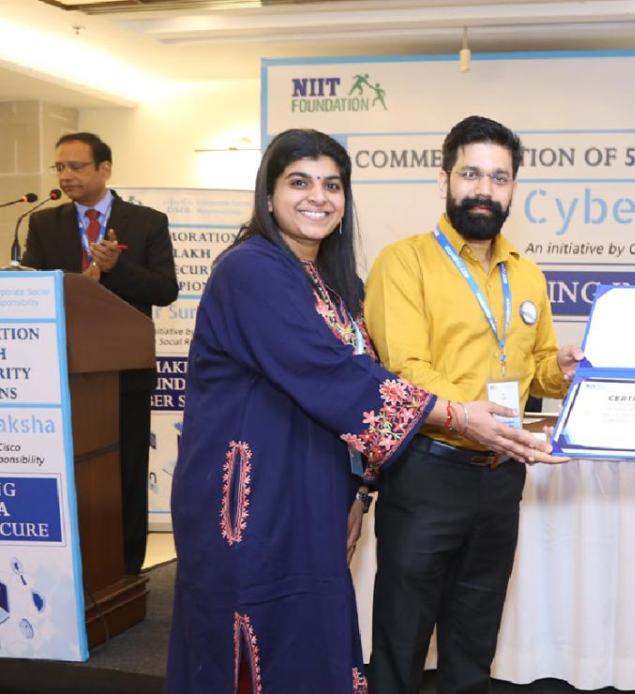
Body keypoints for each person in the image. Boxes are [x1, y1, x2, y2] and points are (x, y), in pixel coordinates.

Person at [165, 129, 559, 694]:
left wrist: (358, 489)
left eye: (332, 185)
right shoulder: (250, 270)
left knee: (312, 632)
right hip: (250, 496)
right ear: (268, 193)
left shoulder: (331, 280)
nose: (318, 197)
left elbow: (353, 385)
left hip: (313, 484)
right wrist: (456, 416)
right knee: (256, 633)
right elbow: (339, 376)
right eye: (299, 182)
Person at [364, 115, 580, 694]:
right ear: (444, 180)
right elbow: (406, 371)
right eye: (471, 174)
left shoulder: (526, 273)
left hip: (500, 475)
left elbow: (532, 368)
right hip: (428, 471)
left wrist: (557, 372)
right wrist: (476, 416)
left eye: (500, 178)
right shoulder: (403, 262)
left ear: (514, 188)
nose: (485, 189)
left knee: (474, 637)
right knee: (402, 636)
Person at [22, 131, 178, 576]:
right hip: (63, 372)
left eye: (76, 167)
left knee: (125, 471)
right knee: (73, 472)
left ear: (104, 169)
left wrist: (116, 269)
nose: (66, 175)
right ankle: (74, 568)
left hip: (124, 372)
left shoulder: (146, 221)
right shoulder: (44, 224)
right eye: (60, 168)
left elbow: (165, 290)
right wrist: (80, 280)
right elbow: (35, 288)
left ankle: (127, 573)